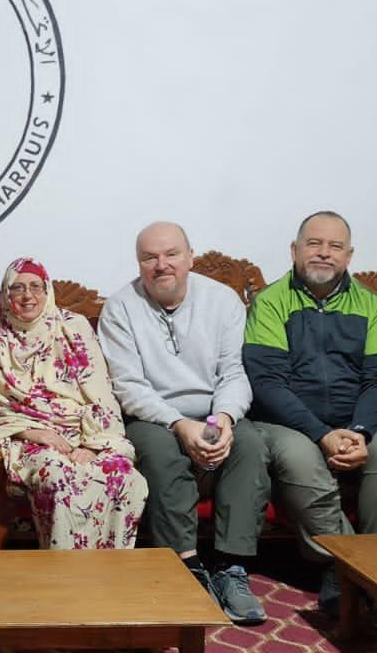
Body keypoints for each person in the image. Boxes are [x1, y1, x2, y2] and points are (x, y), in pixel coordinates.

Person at [243, 211, 377, 615]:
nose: (324, 253)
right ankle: (345, 567)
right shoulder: (270, 302)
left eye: (335, 246)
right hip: (288, 423)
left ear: (349, 256)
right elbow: (268, 383)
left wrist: (361, 430)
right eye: (314, 244)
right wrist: (321, 433)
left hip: (358, 419)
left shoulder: (371, 306)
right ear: (295, 250)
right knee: (301, 460)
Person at [99, 223, 271, 624]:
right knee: (159, 453)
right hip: (153, 417)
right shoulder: (120, 307)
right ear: (139, 264)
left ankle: (230, 567)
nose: (161, 265)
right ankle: (187, 565)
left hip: (212, 411)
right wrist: (178, 424)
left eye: (171, 254)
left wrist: (224, 418)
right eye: (149, 257)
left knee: (249, 444)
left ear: (191, 257)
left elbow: (233, 372)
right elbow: (128, 386)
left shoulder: (223, 300)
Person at [0, 257, 148, 551]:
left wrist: (92, 446)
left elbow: (100, 392)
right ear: (5, 293)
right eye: (18, 288)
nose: (28, 296)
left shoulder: (73, 329)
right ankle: (65, 572)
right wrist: (37, 434)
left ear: (47, 290)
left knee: (126, 477)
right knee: (59, 478)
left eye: (35, 287)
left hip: (86, 434)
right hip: (27, 440)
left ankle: (111, 569)